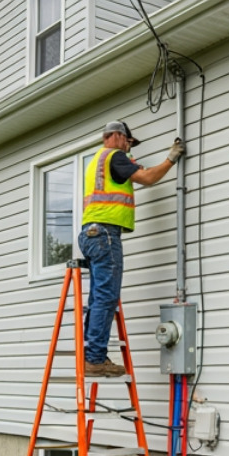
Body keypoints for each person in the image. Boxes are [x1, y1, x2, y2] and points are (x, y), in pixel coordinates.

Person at [78, 120, 184, 378]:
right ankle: (95, 359)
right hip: (105, 233)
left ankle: (91, 355)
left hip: (91, 233)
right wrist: (171, 158)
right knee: (106, 297)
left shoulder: (96, 161)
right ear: (116, 136)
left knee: (98, 298)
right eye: (128, 141)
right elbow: (147, 178)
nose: (128, 147)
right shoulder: (114, 156)